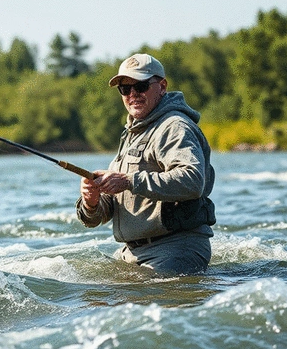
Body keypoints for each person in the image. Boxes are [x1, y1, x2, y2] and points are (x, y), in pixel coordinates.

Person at [76, 53, 216, 275]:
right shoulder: (134, 133)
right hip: (133, 254)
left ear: (162, 86)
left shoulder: (174, 127)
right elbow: (118, 205)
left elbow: (192, 180)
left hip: (175, 250)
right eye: (125, 89)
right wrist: (92, 203)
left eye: (140, 86)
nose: (132, 95)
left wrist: (129, 181)